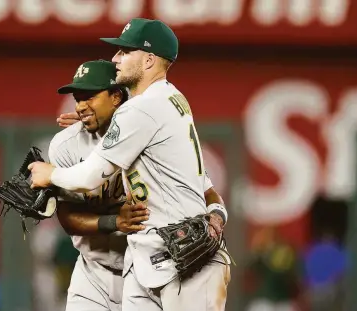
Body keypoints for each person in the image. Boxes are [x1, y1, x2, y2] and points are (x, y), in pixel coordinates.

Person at [29, 18, 231, 311]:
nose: (116, 59)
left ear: (149, 60)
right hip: (144, 260)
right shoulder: (171, 98)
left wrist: (50, 174)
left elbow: (89, 176)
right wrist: (217, 212)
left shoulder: (142, 109)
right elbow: (202, 181)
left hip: (185, 262)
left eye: (125, 52)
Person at [49, 59, 150, 311]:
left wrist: (216, 213)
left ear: (116, 97)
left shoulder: (152, 136)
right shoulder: (66, 146)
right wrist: (114, 222)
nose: (81, 105)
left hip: (145, 273)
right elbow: (67, 216)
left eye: (89, 97)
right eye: (78, 98)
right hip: (92, 274)